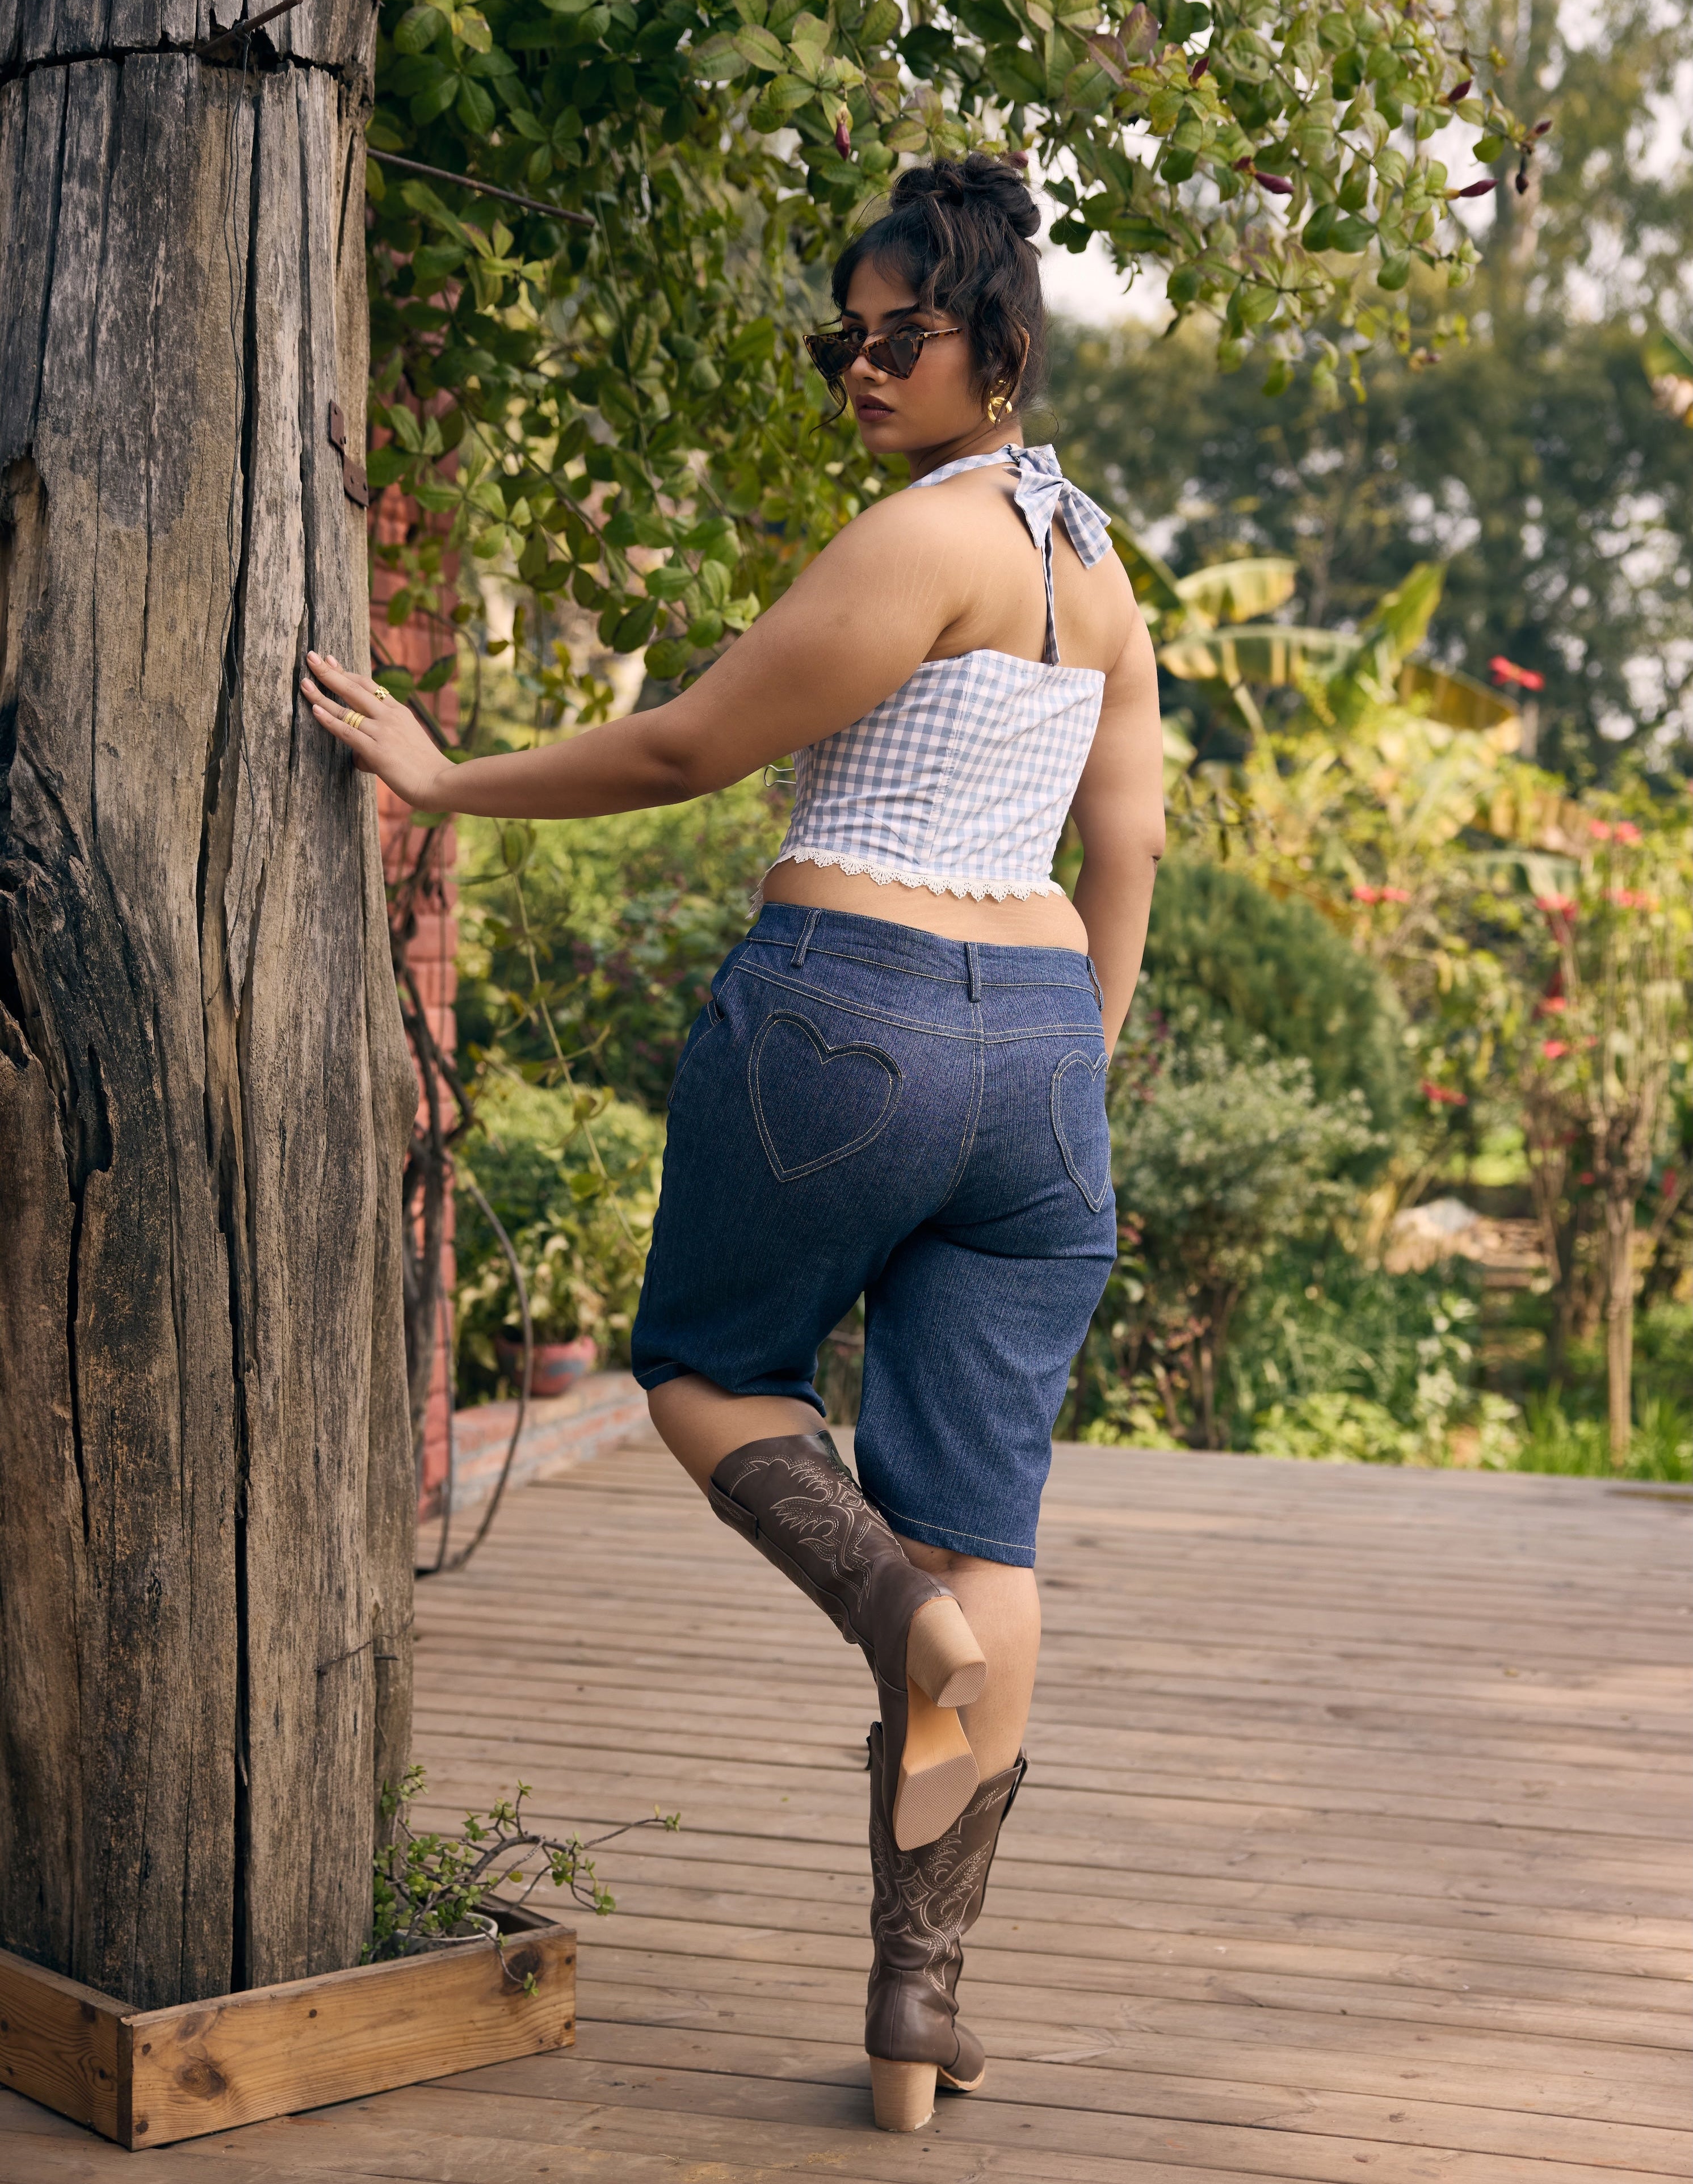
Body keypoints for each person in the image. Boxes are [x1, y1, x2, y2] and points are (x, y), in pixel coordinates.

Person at [303, 153, 1164, 2133]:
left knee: (704, 1369)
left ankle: (891, 1615)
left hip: (847, 1004)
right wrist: (1061, 1082)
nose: (860, 368)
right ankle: (911, 2022)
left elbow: (692, 743)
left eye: (899, 336)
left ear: (996, 347)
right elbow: (1128, 847)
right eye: (840, 338)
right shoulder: (1104, 572)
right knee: (991, 1525)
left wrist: (446, 772)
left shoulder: (919, 539)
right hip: (1040, 1050)